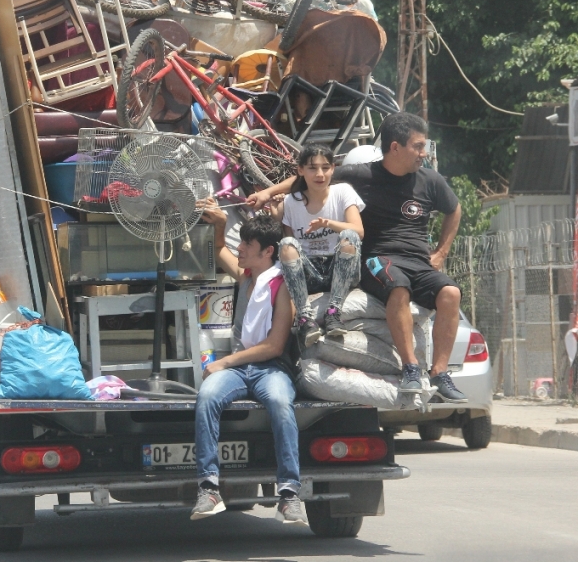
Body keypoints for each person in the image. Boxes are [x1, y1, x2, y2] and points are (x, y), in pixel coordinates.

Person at [247, 112, 467, 402]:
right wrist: (267, 193)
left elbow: (455, 210)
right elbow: (312, 179)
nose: (423, 153)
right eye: (418, 146)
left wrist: (441, 252)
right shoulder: (363, 175)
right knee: (397, 288)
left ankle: (439, 372)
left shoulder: (430, 179)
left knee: (451, 293)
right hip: (379, 259)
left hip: (419, 261)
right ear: (395, 148)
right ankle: (411, 368)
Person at [191, 210, 306, 525]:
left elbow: (274, 346)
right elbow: (219, 250)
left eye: (246, 243)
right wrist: (220, 225)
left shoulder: (282, 286)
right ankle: (209, 488)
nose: (239, 249)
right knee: (207, 397)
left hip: (270, 367)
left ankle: (289, 494)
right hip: (242, 368)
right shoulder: (245, 277)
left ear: (267, 251)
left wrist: (224, 362)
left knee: (281, 403)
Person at [268, 143, 365, 347]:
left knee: (349, 235)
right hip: (309, 272)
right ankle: (305, 317)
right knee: (286, 244)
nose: (320, 174)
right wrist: (277, 215)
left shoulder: (342, 192)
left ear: (333, 169)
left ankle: (333, 311)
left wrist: (328, 223)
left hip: (340, 269)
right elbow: (290, 247)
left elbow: (359, 230)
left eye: (325, 167)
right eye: (312, 168)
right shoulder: (290, 202)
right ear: (300, 170)